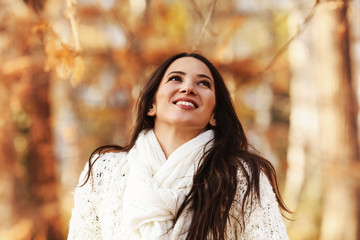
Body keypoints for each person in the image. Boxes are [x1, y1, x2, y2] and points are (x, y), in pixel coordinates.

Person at [67, 52, 290, 240]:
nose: (188, 88)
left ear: (214, 115)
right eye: (175, 78)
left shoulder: (242, 176)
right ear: (151, 105)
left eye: (203, 83)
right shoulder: (104, 170)